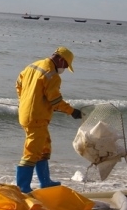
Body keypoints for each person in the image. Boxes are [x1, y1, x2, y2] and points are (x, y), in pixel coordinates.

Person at [15, 47, 83, 193]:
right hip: (36, 118)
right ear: (59, 59)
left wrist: (24, 100)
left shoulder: (32, 66)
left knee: (44, 148)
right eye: (65, 65)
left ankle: (45, 182)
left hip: (27, 114)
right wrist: (72, 111)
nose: (64, 68)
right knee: (31, 152)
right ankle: (22, 188)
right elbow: (56, 100)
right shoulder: (52, 75)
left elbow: (18, 84)